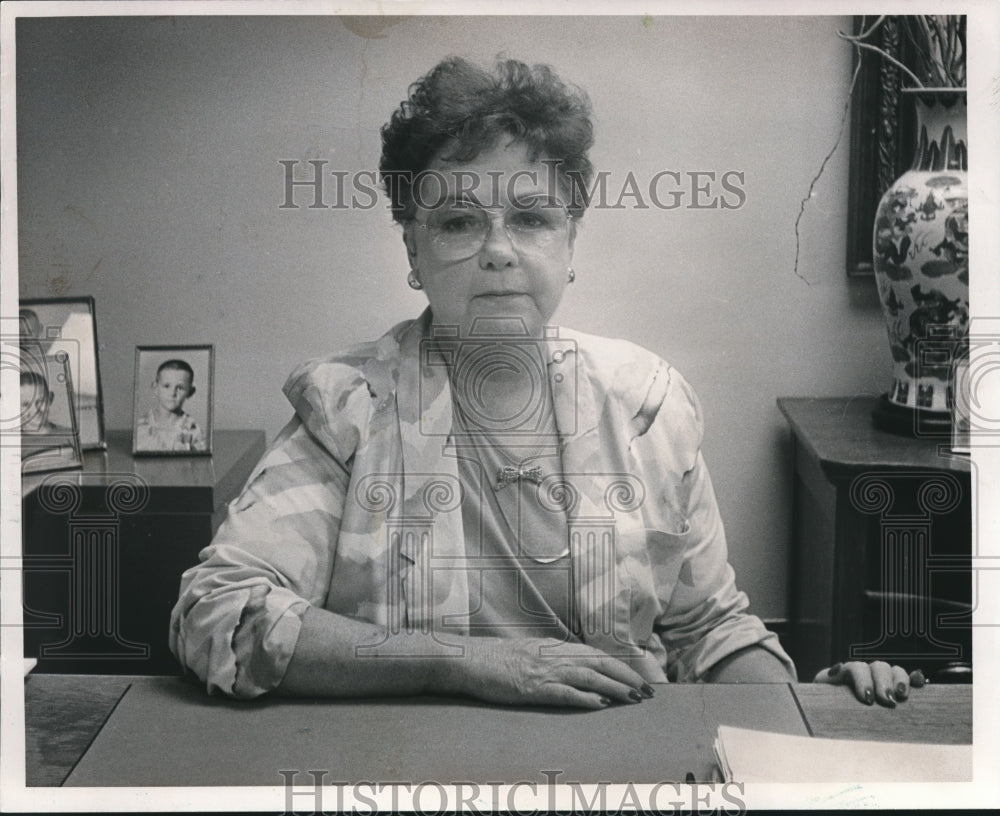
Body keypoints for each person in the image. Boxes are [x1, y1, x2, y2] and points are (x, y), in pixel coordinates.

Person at [171, 57, 917, 709]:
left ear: (569, 245)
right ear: (413, 248)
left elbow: (708, 633)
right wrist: (465, 666)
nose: (498, 251)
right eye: (459, 222)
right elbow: (217, 612)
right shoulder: (349, 411)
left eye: (530, 218)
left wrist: (807, 711)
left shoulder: (645, 407)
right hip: (404, 768)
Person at [135, 359, 207, 452]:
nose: (172, 393)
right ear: (155, 388)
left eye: (180, 388)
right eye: (166, 386)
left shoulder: (195, 432)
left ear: (190, 392)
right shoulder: (140, 427)